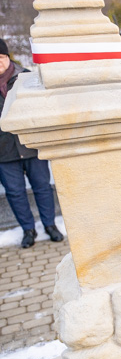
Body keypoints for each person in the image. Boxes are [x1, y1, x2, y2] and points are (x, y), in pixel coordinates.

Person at [0, 38, 64, 248]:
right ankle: (28, 230)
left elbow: (43, 108)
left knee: (43, 187)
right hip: (4, 151)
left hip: (31, 145)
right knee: (15, 192)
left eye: (0, 57)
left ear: (7, 57)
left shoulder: (26, 77)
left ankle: (50, 225)